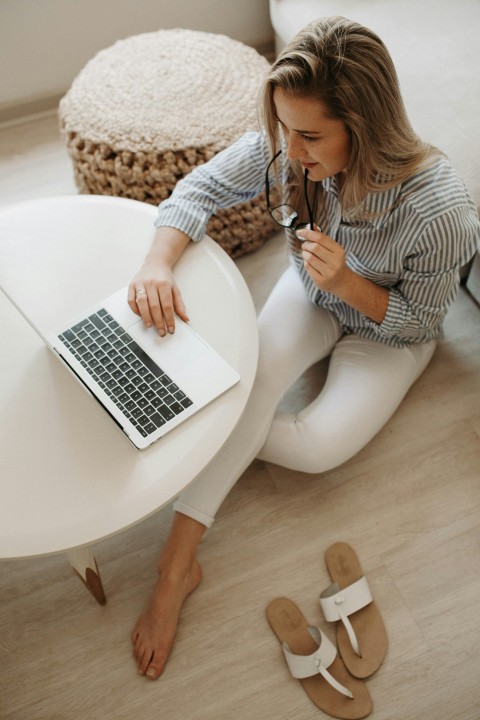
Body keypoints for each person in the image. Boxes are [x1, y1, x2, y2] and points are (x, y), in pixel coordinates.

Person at [127, 16, 479, 679]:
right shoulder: (288, 146)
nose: (292, 149)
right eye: (286, 129)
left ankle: (207, 415)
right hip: (314, 298)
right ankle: (176, 569)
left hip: (388, 334)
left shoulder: (442, 213)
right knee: (248, 389)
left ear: (364, 128)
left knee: (310, 446)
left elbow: (421, 323)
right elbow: (197, 191)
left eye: (311, 136)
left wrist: (349, 280)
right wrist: (155, 263)